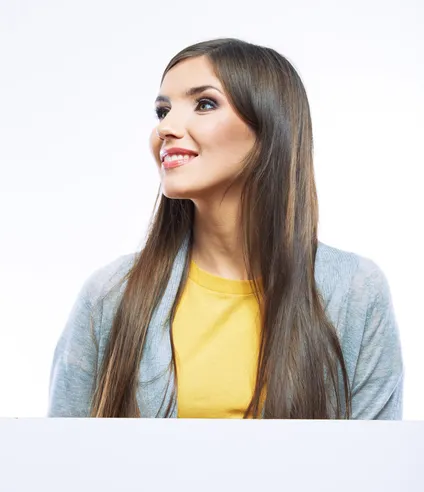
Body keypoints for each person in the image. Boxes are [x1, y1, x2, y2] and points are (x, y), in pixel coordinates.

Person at [48, 37, 403, 419]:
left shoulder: (356, 293)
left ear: (269, 128)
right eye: (162, 111)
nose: (167, 127)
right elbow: (63, 460)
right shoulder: (111, 294)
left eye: (204, 104)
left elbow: (371, 468)